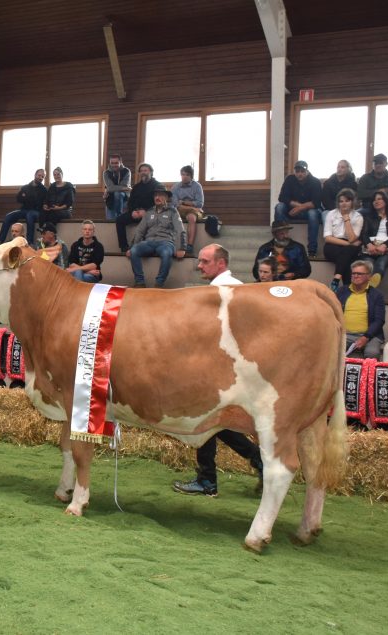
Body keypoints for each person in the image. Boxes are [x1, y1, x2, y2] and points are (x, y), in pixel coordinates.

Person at [173, 243, 263, 497]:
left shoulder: (221, 290)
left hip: (217, 368)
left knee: (208, 421)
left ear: (220, 263)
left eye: (204, 261)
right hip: (228, 368)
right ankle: (255, 460)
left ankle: (208, 480)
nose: (199, 265)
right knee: (216, 423)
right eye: (200, 261)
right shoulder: (235, 286)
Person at [127, 186, 186, 288]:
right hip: (148, 242)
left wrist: (181, 248)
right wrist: (132, 246)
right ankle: (139, 282)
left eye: (160, 195)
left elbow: (180, 229)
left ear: (166, 198)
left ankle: (159, 283)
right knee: (134, 251)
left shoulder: (173, 211)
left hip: (166, 242)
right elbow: (140, 231)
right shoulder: (149, 212)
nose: (157, 197)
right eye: (155, 195)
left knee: (167, 253)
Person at [336, 259, 385, 360]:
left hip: (370, 335)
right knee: (330, 349)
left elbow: (379, 320)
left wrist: (365, 337)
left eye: (359, 273)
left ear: (369, 276)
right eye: (353, 273)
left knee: (372, 353)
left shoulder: (377, 295)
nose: (355, 276)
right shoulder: (341, 291)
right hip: (345, 334)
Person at [274, 160, 323, 257]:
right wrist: (297, 206)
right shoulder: (289, 179)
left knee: (313, 213)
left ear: (307, 171)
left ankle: (312, 250)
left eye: (302, 171)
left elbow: (316, 203)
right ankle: (281, 242)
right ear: (294, 172)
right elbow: (282, 197)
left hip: (309, 211)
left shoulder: (315, 182)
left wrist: (300, 208)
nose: (300, 174)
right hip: (292, 211)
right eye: (297, 171)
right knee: (279, 207)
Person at [322, 188, 364, 290]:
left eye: (347, 201)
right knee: (347, 255)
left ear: (352, 202)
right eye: (341, 201)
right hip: (333, 244)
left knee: (348, 252)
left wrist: (346, 218)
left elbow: (352, 238)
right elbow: (328, 238)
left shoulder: (358, 217)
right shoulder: (331, 214)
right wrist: (349, 244)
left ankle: (336, 280)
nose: (344, 204)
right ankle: (347, 288)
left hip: (350, 246)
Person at [359, 190, 388, 288]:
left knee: (380, 264)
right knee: (367, 265)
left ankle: (370, 287)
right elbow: (364, 234)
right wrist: (369, 245)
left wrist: (384, 245)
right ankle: (365, 288)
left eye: (379, 199)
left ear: (386, 201)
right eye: (374, 200)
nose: (376, 201)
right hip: (370, 249)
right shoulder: (368, 217)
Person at [115, 163, 162, 253]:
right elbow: (130, 202)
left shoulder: (158, 186)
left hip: (151, 213)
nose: (143, 173)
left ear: (151, 172)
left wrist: (146, 211)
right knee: (119, 220)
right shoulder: (136, 187)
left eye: (145, 170)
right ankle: (124, 247)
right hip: (136, 213)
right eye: (141, 171)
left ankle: (145, 248)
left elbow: (160, 203)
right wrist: (133, 211)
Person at [0, 168, 47, 244]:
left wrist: (26, 197)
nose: (40, 178)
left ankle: (29, 242)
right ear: (35, 175)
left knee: (29, 215)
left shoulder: (44, 190)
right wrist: (29, 198)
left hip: (36, 211)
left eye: (42, 177)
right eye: (39, 175)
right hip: (24, 210)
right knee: (8, 216)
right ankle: (0, 241)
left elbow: (39, 203)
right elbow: (19, 199)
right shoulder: (25, 187)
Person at [172, 165, 205, 253]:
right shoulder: (176, 187)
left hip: (193, 212)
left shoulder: (197, 186)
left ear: (191, 176)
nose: (184, 177)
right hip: (181, 209)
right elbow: (175, 204)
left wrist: (183, 202)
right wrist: (191, 206)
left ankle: (189, 245)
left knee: (191, 218)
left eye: (187, 175)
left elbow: (199, 203)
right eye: (182, 174)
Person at [102, 154, 132, 220]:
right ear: (109, 163)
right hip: (110, 200)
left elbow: (124, 185)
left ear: (120, 162)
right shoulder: (106, 173)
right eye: (112, 163)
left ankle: (119, 216)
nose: (114, 165)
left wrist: (110, 189)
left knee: (118, 193)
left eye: (116, 163)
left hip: (124, 200)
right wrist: (124, 188)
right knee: (110, 224)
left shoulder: (126, 171)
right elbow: (110, 188)